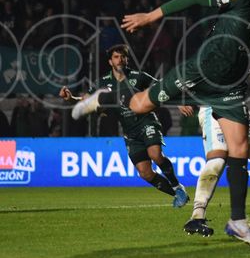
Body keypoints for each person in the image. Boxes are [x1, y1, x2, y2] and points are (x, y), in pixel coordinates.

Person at [117, 0, 250, 246]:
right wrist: (150, 17)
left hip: (230, 87)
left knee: (238, 148)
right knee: (139, 104)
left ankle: (238, 221)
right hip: (201, 71)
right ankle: (100, 97)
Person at [64, 44, 189, 208]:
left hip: (146, 121)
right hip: (129, 131)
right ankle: (178, 194)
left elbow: (162, 88)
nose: (120, 60)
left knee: (156, 154)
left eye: (123, 56)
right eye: (116, 57)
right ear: (110, 61)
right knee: (145, 173)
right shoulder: (102, 83)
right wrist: (70, 98)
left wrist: (178, 103)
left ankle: (176, 185)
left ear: (127, 59)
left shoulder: (138, 77)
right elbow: (86, 102)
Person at [181, 105, 250, 239]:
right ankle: (197, 217)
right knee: (218, 159)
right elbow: (169, 84)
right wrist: (180, 98)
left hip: (240, 110)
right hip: (215, 107)